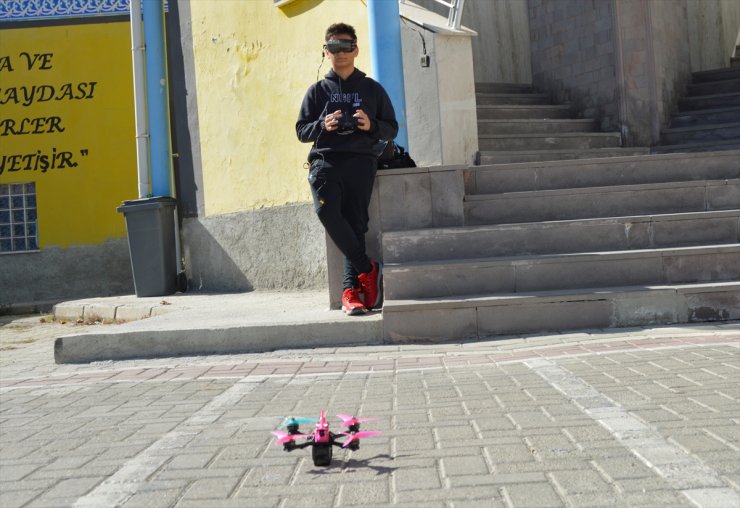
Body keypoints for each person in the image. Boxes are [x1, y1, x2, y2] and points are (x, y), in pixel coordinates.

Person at [296, 22, 398, 316]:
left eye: (345, 46)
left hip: (361, 162)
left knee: (356, 226)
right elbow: (301, 131)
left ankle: (350, 292)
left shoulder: (372, 89)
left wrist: (371, 125)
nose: (339, 52)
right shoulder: (317, 91)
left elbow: (392, 128)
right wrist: (322, 125)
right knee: (326, 212)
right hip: (327, 161)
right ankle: (368, 268)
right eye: (333, 47)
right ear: (326, 52)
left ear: (356, 49)